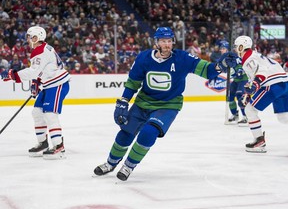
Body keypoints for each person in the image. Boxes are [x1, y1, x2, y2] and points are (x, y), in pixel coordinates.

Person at [93, 27, 230, 181]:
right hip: (143, 102)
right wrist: (124, 101)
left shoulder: (183, 58)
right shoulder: (144, 58)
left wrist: (221, 65)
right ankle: (111, 163)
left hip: (168, 105)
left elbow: (208, 71)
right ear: (156, 42)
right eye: (163, 41)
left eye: (169, 41)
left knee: (148, 132)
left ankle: (129, 166)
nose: (167, 44)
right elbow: (133, 83)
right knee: (125, 132)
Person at [0, 26, 71, 159]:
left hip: (57, 84)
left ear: (36, 37)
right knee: (37, 112)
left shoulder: (41, 51)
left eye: (29, 36)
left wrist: (11, 74)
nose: (27, 39)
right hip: (49, 84)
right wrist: (36, 82)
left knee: (49, 113)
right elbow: (42, 70)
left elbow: (33, 71)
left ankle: (58, 145)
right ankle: (43, 142)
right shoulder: (42, 49)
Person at [229, 35, 288, 153]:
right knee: (283, 117)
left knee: (250, 110)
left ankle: (259, 141)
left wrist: (254, 86)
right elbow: (258, 74)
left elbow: (261, 74)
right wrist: (250, 91)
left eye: (236, 46)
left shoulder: (247, 58)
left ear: (241, 46)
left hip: (272, 85)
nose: (235, 49)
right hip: (284, 83)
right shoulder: (255, 54)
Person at [219, 41, 249, 126]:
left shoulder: (235, 56)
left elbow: (241, 64)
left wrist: (240, 70)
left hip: (243, 79)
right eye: (221, 48)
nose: (221, 50)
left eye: (223, 48)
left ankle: (245, 116)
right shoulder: (223, 58)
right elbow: (223, 68)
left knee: (240, 95)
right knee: (230, 96)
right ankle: (234, 114)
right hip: (236, 79)